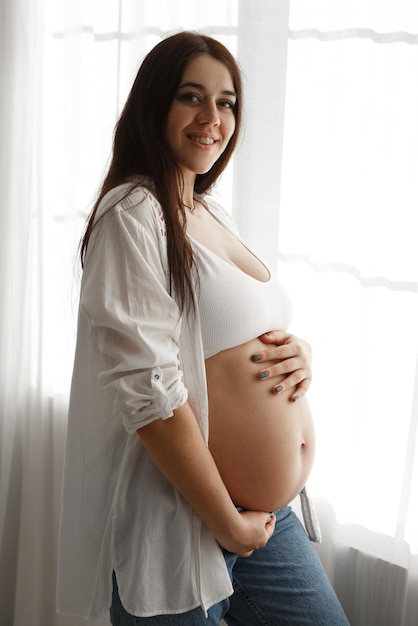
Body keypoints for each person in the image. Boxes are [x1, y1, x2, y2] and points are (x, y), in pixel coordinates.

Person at [57, 31, 350, 625]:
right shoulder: (133, 215)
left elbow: (233, 331)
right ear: (154, 105)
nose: (212, 118)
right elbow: (152, 397)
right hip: (184, 516)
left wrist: (302, 354)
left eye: (227, 102)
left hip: (263, 517)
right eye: (192, 97)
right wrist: (224, 522)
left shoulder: (211, 210)